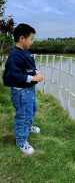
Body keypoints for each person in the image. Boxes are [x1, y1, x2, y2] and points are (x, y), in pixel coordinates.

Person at [2, 23, 44, 155]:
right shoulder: (14, 55)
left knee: (32, 109)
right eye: (31, 39)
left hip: (29, 90)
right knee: (22, 115)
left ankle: (28, 126)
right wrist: (32, 79)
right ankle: (21, 141)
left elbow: (31, 65)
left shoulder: (25, 52)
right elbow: (13, 75)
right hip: (21, 92)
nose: (32, 42)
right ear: (22, 38)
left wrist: (36, 72)